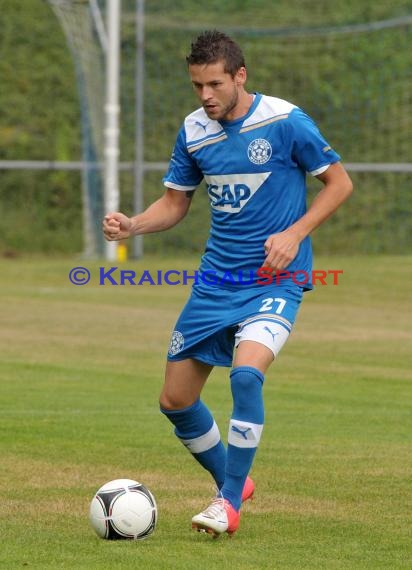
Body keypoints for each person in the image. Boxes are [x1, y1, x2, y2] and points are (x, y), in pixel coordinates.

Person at [103, 30, 353, 538]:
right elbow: (174, 204)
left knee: (245, 376)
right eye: (197, 85)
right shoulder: (195, 131)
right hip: (215, 282)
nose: (205, 95)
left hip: (274, 279)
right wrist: (134, 225)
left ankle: (226, 503)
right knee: (174, 401)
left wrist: (295, 232)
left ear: (240, 76)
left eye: (214, 83)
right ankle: (235, 481)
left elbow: (340, 183)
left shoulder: (286, 121)